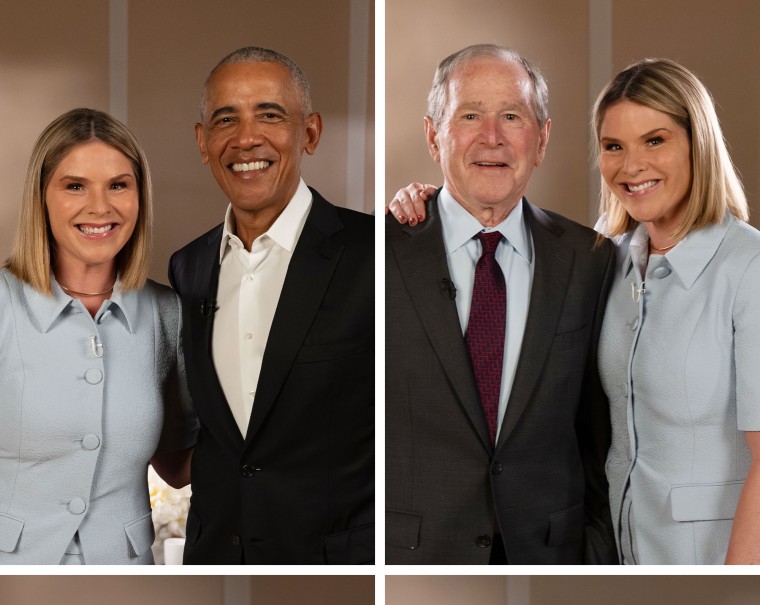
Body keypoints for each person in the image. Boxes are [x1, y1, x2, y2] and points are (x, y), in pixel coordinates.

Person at [385, 43, 615, 565]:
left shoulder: (592, 260)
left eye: (512, 116)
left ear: (542, 139)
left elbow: (604, 435)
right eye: (470, 115)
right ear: (433, 135)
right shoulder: (376, 256)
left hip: (554, 554)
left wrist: (594, 551)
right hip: (410, 556)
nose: (492, 137)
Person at [170, 47, 374, 566]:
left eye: (269, 114)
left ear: (310, 133)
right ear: (202, 142)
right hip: (212, 561)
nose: (246, 138)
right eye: (225, 119)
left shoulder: (375, 253)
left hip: (335, 565)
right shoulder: (186, 269)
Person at [0, 108, 197, 565]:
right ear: (41, 197)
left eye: (118, 185)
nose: (100, 207)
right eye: (74, 186)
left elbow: (177, 464)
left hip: (125, 563)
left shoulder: (167, 312)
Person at [591, 58, 760, 564]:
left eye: (655, 140)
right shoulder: (608, 260)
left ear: (698, 145)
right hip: (620, 555)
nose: (631, 165)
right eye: (613, 146)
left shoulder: (748, 268)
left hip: (712, 558)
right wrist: (426, 207)